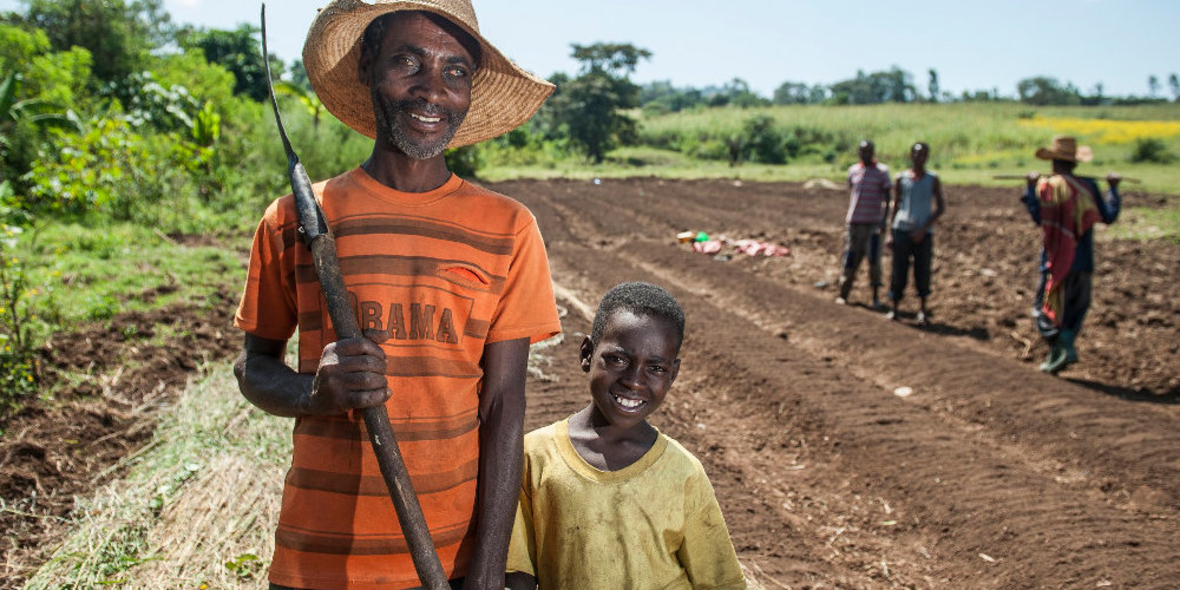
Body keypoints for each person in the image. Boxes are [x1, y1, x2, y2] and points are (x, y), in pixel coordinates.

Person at [233, 1, 561, 588]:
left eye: (455, 71)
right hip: (317, 562)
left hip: (450, 561)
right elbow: (253, 367)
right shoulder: (294, 220)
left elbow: (504, 407)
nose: (431, 90)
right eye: (408, 62)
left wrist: (487, 572)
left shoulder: (508, 228)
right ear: (367, 65)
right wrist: (314, 393)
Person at [504, 282, 747, 590]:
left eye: (656, 368)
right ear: (587, 354)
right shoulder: (536, 456)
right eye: (618, 360)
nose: (634, 381)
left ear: (673, 374)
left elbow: (720, 580)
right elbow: (517, 572)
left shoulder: (683, 471)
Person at [1020, 135, 1121, 374]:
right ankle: (1059, 353)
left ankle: (1062, 344)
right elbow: (1108, 216)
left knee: (1043, 310)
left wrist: (1030, 188)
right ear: (1074, 163)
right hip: (1083, 260)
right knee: (1075, 311)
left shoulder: (1049, 186)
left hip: (1056, 261)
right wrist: (1113, 190)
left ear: (1054, 162)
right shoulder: (1089, 187)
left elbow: (1039, 217)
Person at [885, 142, 946, 325]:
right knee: (898, 270)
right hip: (902, 229)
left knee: (923, 271)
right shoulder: (901, 178)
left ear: (927, 157)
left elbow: (940, 207)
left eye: (923, 154)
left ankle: (922, 310)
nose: (919, 158)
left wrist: (923, 229)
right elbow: (896, 205)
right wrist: (890, 232)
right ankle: (895, 307)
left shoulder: (932, 179)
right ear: (911, 156)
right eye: (917, 154)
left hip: (923, 233)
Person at [837, 140, 892, 309]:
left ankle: (875, 298)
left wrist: (883, 221)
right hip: (854, 224)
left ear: (873, 152)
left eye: (868, 151)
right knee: (850, 259)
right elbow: (852, 191)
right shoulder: (853, 170)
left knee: (874, 261)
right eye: (862, 151)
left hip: (873, 225)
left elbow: (888, 197)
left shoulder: (882, 172)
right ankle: (843, 294)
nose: (865, 154)